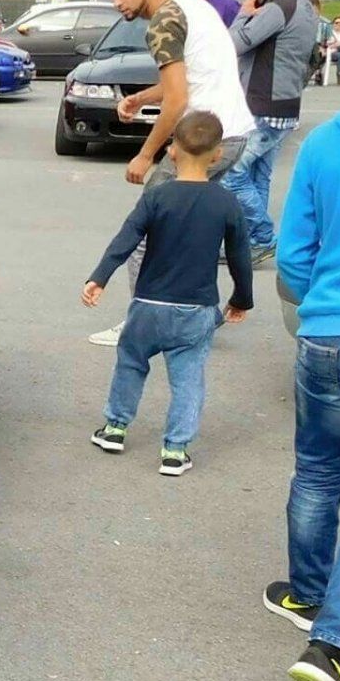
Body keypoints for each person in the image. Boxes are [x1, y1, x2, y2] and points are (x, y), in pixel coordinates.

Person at [266, 0, 340, 681]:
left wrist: (322, 301)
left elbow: (294, 257)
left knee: (317, 466)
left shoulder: (328, 142)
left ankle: (308, 593)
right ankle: (336, 644)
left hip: (327, 331)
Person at [87, 0, 256, 345]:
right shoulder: (192, 4)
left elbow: (178, 100)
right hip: (230, 132)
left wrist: (146, 155)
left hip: (204, 137)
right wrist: (140, 97)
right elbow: (188, 77)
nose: (117, 3)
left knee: (147, 225)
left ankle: (142, 323)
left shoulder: (163, 21)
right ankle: (196, 315)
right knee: (190, 227)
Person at [83, 110, 252, 475]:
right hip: (196, 308)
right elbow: (240, 256)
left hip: (148, 305)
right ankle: (174, 451)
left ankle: (114, 428)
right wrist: (241, 299)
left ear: (172, 150)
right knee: (188, 378)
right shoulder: (226, 203)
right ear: (218, 154)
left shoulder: (157, 197)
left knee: (130, 363)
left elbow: (126, 238)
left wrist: (100, 277)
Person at [223, 0, 319, 267]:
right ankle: (252, 244)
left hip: (264, 105)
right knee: (258, 176)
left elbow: (235, 43)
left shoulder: (279, 9)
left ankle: (263, 236)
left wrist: (243, 14)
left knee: (232, 172)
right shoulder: (307, 9)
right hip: (287, 104)